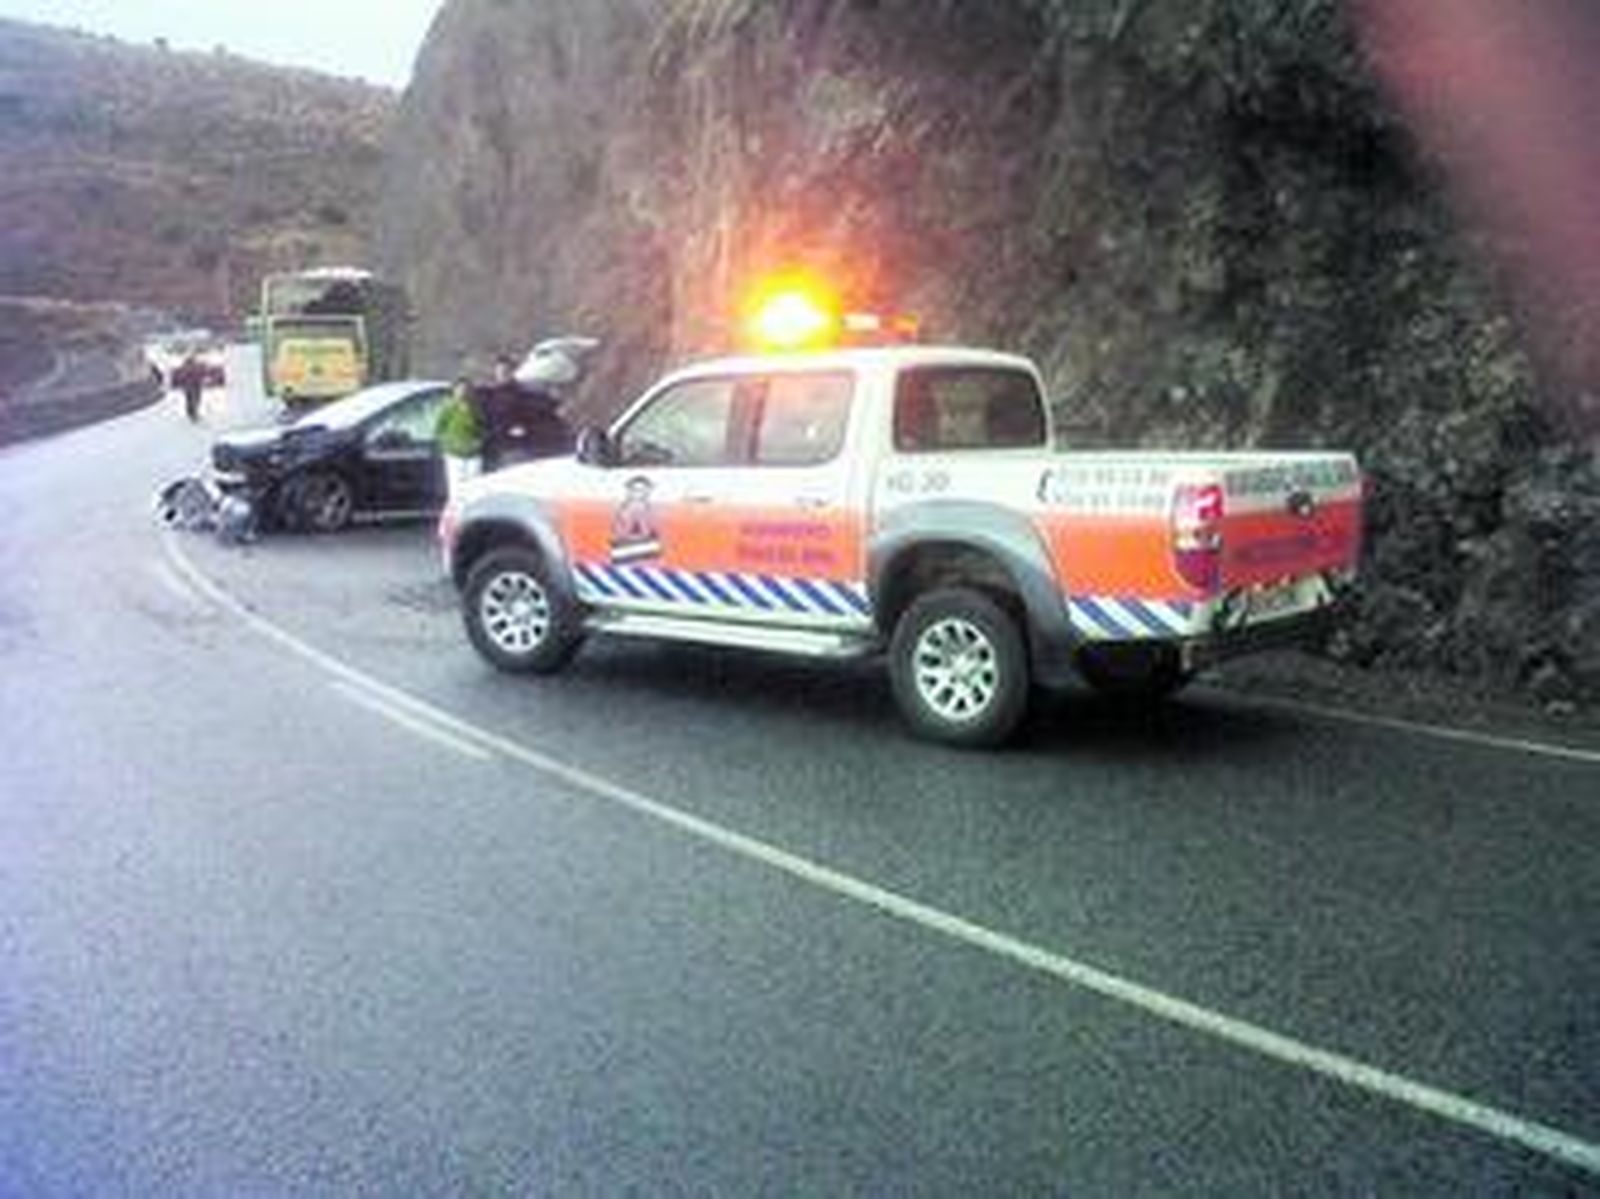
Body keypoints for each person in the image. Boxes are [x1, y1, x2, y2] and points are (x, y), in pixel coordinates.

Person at [477, 337, 598, 469]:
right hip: (509, 448)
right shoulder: (491, 395)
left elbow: (544, 409)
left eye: (507, 370)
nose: (504, 374)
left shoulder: (526, 392)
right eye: (501, 371)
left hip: (533, 445)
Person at [434, 376, 485, 498]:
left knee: (474, 487)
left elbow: (482, 426)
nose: (463, 392)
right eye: (460, 389)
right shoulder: (448, 407)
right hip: (454, 454)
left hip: (473, 454)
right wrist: (448, 444)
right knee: (456, 488)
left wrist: (478, 442)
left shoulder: (475, 408)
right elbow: (439, 430)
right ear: (454, 390)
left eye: (466, 389)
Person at [171, 352, 207, 422]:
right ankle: (193, 414)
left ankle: (192, 413)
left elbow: (201, 374)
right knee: (193, 400)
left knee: (193, 400)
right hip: (191, 386)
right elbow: (181, 377)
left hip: (194, 386)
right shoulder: (190, 367)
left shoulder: (194, 367)